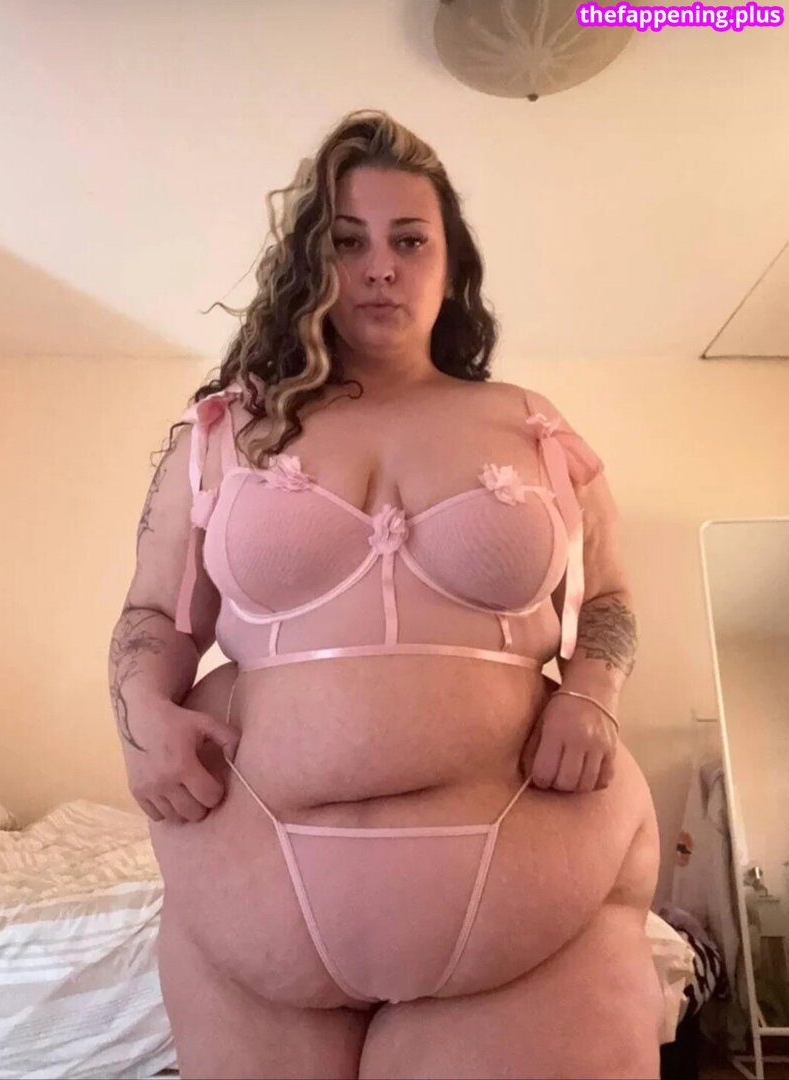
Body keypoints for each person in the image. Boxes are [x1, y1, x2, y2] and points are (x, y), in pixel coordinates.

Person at [108, 109, 664, 1080]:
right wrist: (141, 716)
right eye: (347, 241)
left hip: (529, 914)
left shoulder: (529, 426)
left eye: (409, 241)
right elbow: (154, 617)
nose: (379, 267)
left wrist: (594, 693)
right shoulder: (222, 434)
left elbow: (608, 599)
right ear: (309, 263)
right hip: (258, 919)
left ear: (452, 265)